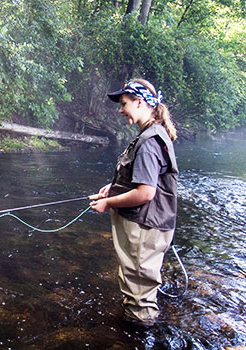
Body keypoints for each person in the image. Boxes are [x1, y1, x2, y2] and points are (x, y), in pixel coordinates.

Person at [90, 78, 178, 325]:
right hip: (147, 225)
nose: (120, 110)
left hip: (144, 227)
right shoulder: (152, 134)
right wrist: (114, 187)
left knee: (139, 294)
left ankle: (140, 333)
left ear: (140, 103)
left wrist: (108, 203)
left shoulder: (150, 142)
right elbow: (144, 181)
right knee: (136, 284)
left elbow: (146, 193)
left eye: (124, 104)